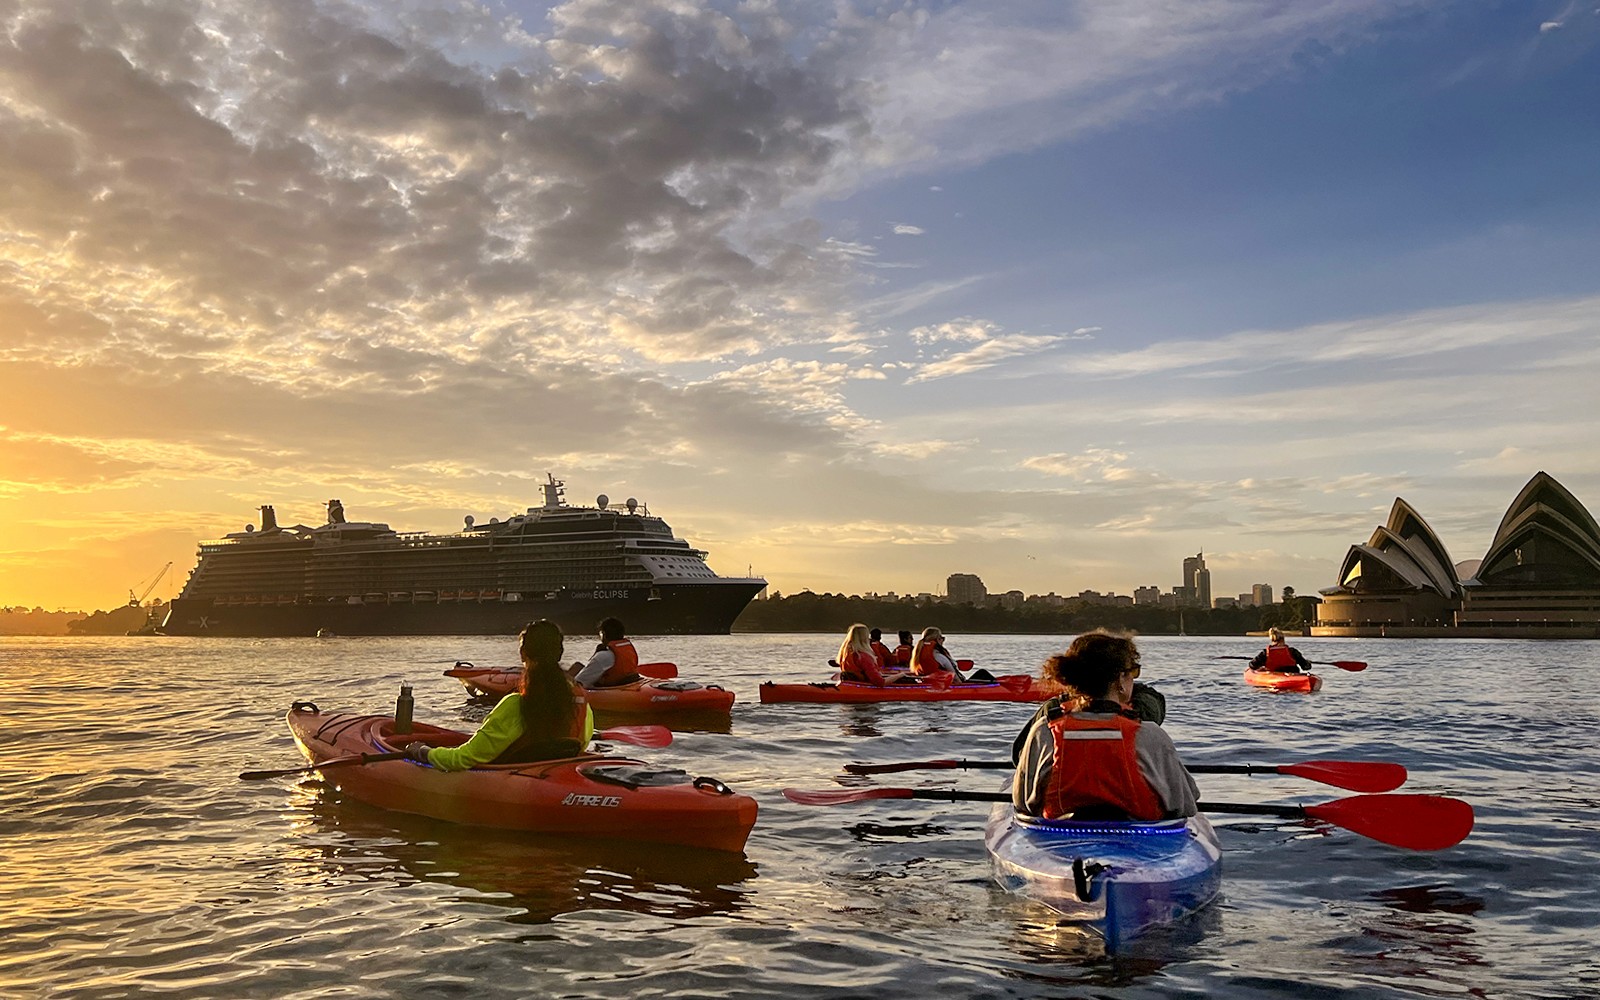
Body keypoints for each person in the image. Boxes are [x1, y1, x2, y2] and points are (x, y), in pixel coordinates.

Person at [1011, 630, 1197, 821]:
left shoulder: (1044, 730)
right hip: (1139, 842)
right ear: (1120, 680)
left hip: (1061, 839)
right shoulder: (1150, 734)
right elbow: (1185, 805)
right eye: (1133, 672)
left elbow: (1022, 802)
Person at [404, 619, 594, 769]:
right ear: (559, 653)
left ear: (522, 653)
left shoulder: (515, 705)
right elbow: (580, 746)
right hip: (554, 778)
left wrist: (422, 752)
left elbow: (461, 759)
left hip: (517, 783)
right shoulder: (581, 703)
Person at [569, 617, 641, 688]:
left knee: (569, 673)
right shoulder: (627, 650)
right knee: (577, 666)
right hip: (623, 683)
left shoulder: (603, 656)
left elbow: (579, 683)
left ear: (604, 634)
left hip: (609, 690)